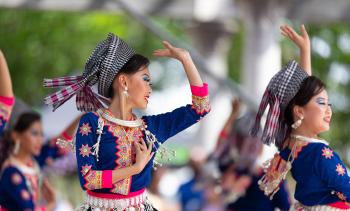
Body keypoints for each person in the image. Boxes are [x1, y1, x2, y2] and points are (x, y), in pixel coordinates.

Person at [44, 33, 210, 210]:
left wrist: (186, 59)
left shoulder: (151, 128)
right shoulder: (92, 123)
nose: (149, 89)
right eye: (145, 80)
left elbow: (201, 108)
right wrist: (136, 168)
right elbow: (88, 179)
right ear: (123, 81)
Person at [251, 25, 350, 210]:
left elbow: (304, 97)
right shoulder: (319, 154)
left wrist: (305, 51)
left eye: (329, 104)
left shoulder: (291, 147)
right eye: (322, 103)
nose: (329, 110)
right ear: (299, 112)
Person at [215, 100, 290, 211]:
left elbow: (286, 207)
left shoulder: (271, 176)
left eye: (253, 144)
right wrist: (233, 114)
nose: (248, 147)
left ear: (260, 147)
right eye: (242, 141)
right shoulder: (228, 167)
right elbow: (222, 142)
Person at [0, 112, 79, 211]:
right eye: (34, 133)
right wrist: (51, 203)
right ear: (16, 135)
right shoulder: (11, 172)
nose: (40, 140)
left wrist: (82, 116)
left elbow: (59, 143)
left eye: (41, 135)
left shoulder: (34, 162)